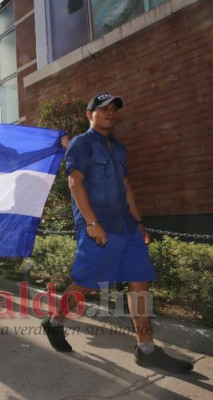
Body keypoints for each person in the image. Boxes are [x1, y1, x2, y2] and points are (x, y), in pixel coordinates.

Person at [41, 92, 193, 374]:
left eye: (114, 109)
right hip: (98, 226)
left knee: (140, 281)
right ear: (90, 114)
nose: (110, 112)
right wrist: (91, 222)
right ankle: (55, 321)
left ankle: (146, 348)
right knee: (86, 285)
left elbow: (125, 187)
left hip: (127, 226)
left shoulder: (119, 148)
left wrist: (139, 222)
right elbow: (75, 183)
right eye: (103, 108)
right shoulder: (81, 143)